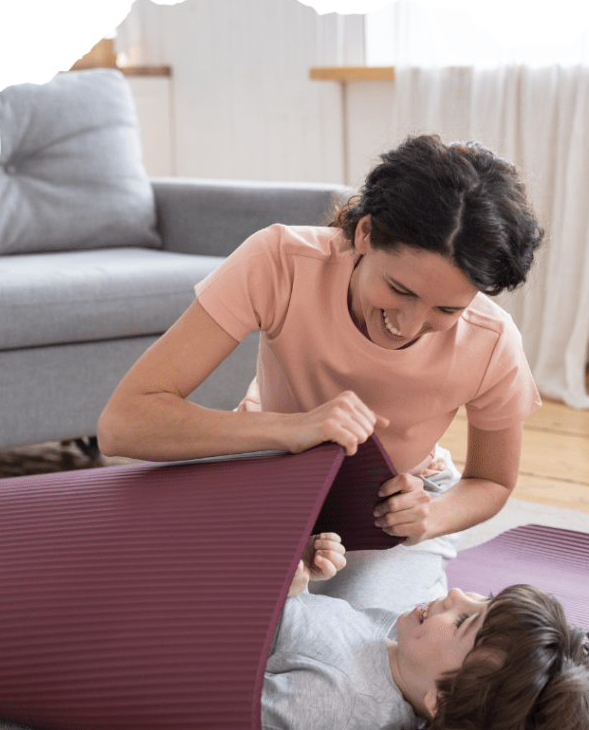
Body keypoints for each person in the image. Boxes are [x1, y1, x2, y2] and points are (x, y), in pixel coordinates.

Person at [98, 136, 545, 592]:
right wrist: (292, 429)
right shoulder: (281, 262)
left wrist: (429, 516)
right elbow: (123, 424)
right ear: (366, 234)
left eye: (446, 310)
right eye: (400, 290)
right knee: (178, 598)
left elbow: (491, 480)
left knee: (372, 638)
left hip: (392, 504)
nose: (410, 325)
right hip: (266, 472)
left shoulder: (491, 340)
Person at [268, 532, 589, 730]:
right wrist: (303, 577)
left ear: (440, 702)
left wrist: (271, 588)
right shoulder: (408, 647)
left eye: (463, 620)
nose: (456, 593)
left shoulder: (333, 702)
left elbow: (217, 699)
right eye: (485, 599)